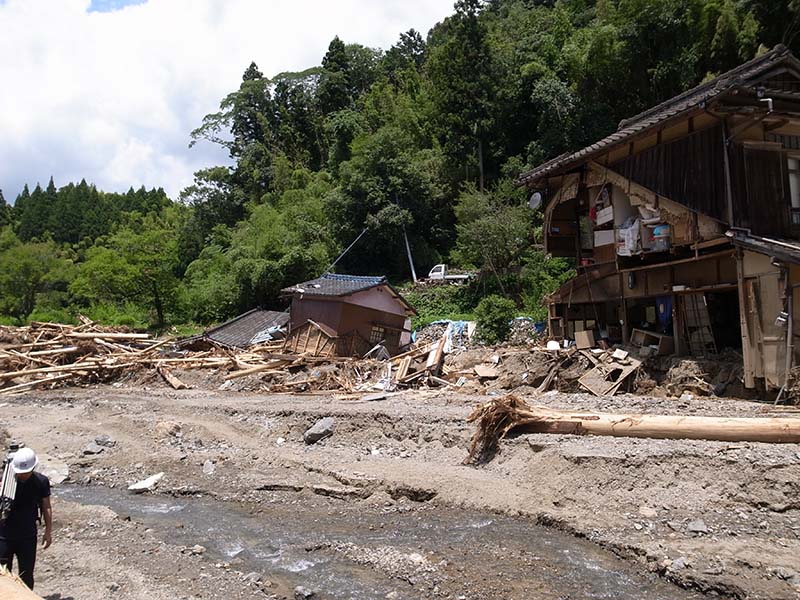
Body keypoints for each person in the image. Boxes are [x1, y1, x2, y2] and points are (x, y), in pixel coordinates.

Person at [0, 447, 52, 590]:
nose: (22, 475)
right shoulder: (4, 482)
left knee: (27, 574)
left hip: (27, 536)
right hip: (4, 536)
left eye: (25, 472)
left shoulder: (41, 482)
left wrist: (48, 531)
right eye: (19, 473)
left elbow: (46, 506)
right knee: (3, 575)